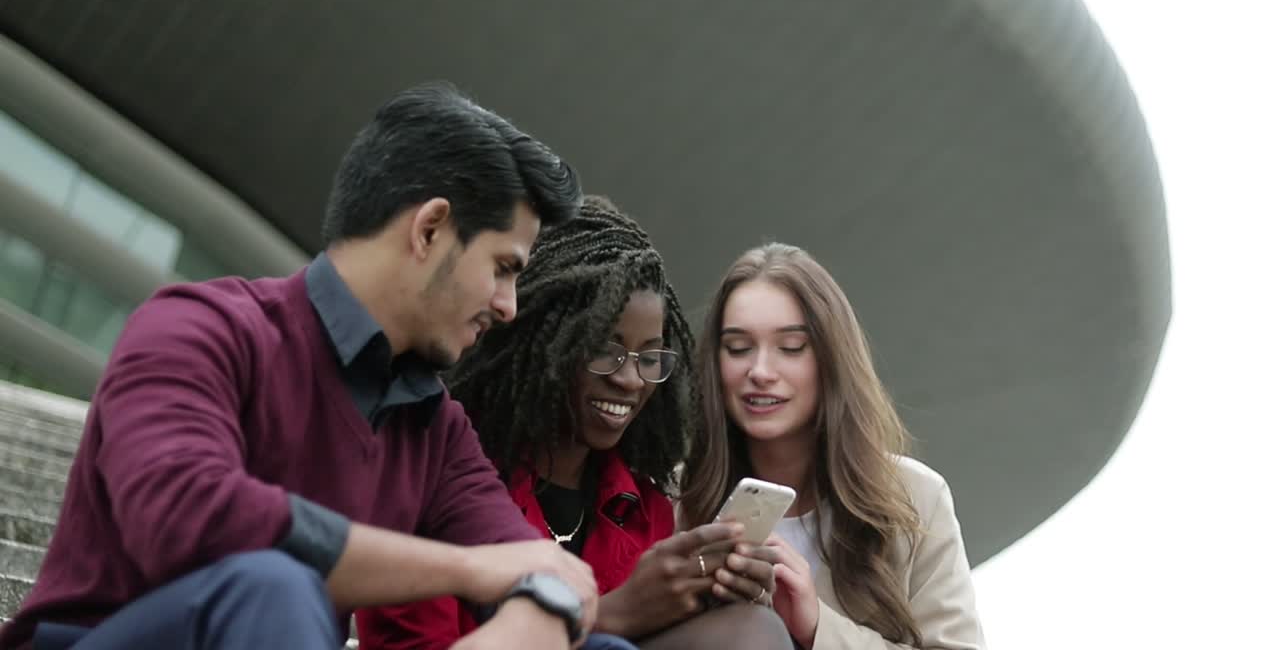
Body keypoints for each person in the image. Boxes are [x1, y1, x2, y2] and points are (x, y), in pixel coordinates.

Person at [0, 82, 623, 650]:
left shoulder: (435, 427)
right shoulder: (198, 329)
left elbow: (539, 570)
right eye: (504, 268)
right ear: (430, 229)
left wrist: (538, 604)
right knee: (274, 585)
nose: (508, 306)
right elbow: (186, 516)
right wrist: (467, 568)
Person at [358, 197, 791, 650]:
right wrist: (613, 614)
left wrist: (710, 607)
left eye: (649, 358)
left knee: (752, 627)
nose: (630, 379)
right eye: (604, 350)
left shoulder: (645, 508)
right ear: (537, 341)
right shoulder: (437, 478)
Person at [679, 243, 986, 650]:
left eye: (791, 347)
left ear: (832, 358)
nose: (760, 371)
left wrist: (817, 626)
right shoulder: (672, 497)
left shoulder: (916, 499)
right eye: (738, 348)